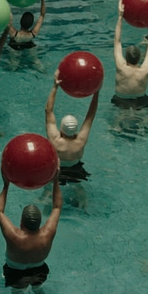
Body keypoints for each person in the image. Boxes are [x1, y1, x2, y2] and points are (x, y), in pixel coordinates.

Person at [0, 177, 63, 294]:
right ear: (39, 223)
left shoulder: (14, 236)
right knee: (38, 289)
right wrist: (56, 180)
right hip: (39, 271)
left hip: (16, 273)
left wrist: (6, 184)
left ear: (21, 223)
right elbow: (57, 207)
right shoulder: (47, 233)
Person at [45, 76, 100, 208]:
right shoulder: (80, 141)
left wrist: (55, 87)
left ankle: (46, 200)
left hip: (56, 171)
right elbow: (90, 115)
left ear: (61, 130)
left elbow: (48, 111)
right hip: (75, 171)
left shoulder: (55, 139)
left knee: (49, 189)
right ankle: (83, 206)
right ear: (75, 131)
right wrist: (96, 93)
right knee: (79, 190)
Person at [111, 1, 148, 110]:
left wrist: (120, 16)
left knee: (118, 120)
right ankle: (143, 125)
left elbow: (117, 41)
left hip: (121, 99)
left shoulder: (121, 67)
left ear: (125, 58)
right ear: (140, 58)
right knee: (143, 118)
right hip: (141, 100)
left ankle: (117, 126)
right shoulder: (144, 70)